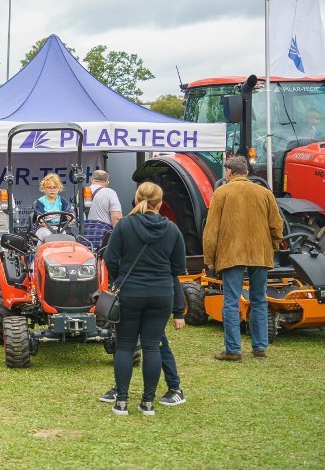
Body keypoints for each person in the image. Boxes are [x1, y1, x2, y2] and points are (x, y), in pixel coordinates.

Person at [103, 182, 186, 415]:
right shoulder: (171, 229)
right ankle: (147, 402)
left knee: (125, 346)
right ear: (160, 203)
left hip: (130, 292)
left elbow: (110, 258)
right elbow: (177, 266)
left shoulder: (125, 226)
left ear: (136, 198)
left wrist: (120, 278)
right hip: (161, 293)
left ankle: (121, 401)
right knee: (152, 346)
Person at [203, 156, 283, 361]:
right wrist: (272, 247)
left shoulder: (222, 192)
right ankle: (259, 347)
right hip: (260, 253)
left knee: (231, 301)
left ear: (229, 172)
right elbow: (277, 224)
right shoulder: (265, 193)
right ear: (246, 172)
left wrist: (209, 259)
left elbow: (211, 230)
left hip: (232, 253)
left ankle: (233, 350)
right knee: (259, 299)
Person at [99, 278, 187, 407]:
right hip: (135, 300)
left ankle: (175, 388)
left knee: (157, 346)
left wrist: (179, 312)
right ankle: (120, 389)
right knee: (128, 347)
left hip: (152, 302)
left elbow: (174, 276)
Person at [83, 170, 123, 250]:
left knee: (88, 260)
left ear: (92, 179)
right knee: (101, 260)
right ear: (107, 182)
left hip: (83, 234)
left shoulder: (81, 192)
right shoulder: (109, 192)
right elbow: (116, 218)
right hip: (103, 234)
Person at [32, 173, 73, 238]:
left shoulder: (63, 201)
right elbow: (39, 215)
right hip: (43, 227)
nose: (52, 189)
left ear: (59, 188)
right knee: (46, 235)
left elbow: (68, 212)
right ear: (44, 188)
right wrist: (42, 221)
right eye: (49, 187)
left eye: (55, 187)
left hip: (59, 227)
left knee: (64, 236)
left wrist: (70, 217)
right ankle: (39, 247)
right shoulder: (40, 202)